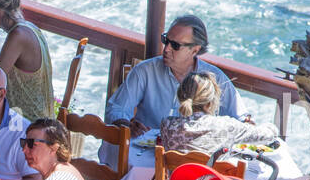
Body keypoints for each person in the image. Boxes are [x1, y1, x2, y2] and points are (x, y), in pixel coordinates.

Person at [104, 15, 242, 135]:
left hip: (195, 157)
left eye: (175, 45)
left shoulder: (215, 78)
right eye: (166, 40)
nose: (166, 49)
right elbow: (115, 109)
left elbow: (240, 118)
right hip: (146, 153)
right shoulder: (144, 71)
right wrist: (125, 124)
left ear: (195, 50)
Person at [157, 72, 279, 155]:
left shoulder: (167, 125)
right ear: (210, 103)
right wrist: (270, 127)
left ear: (181, 98)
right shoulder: (226, 126)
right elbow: (268, 135)